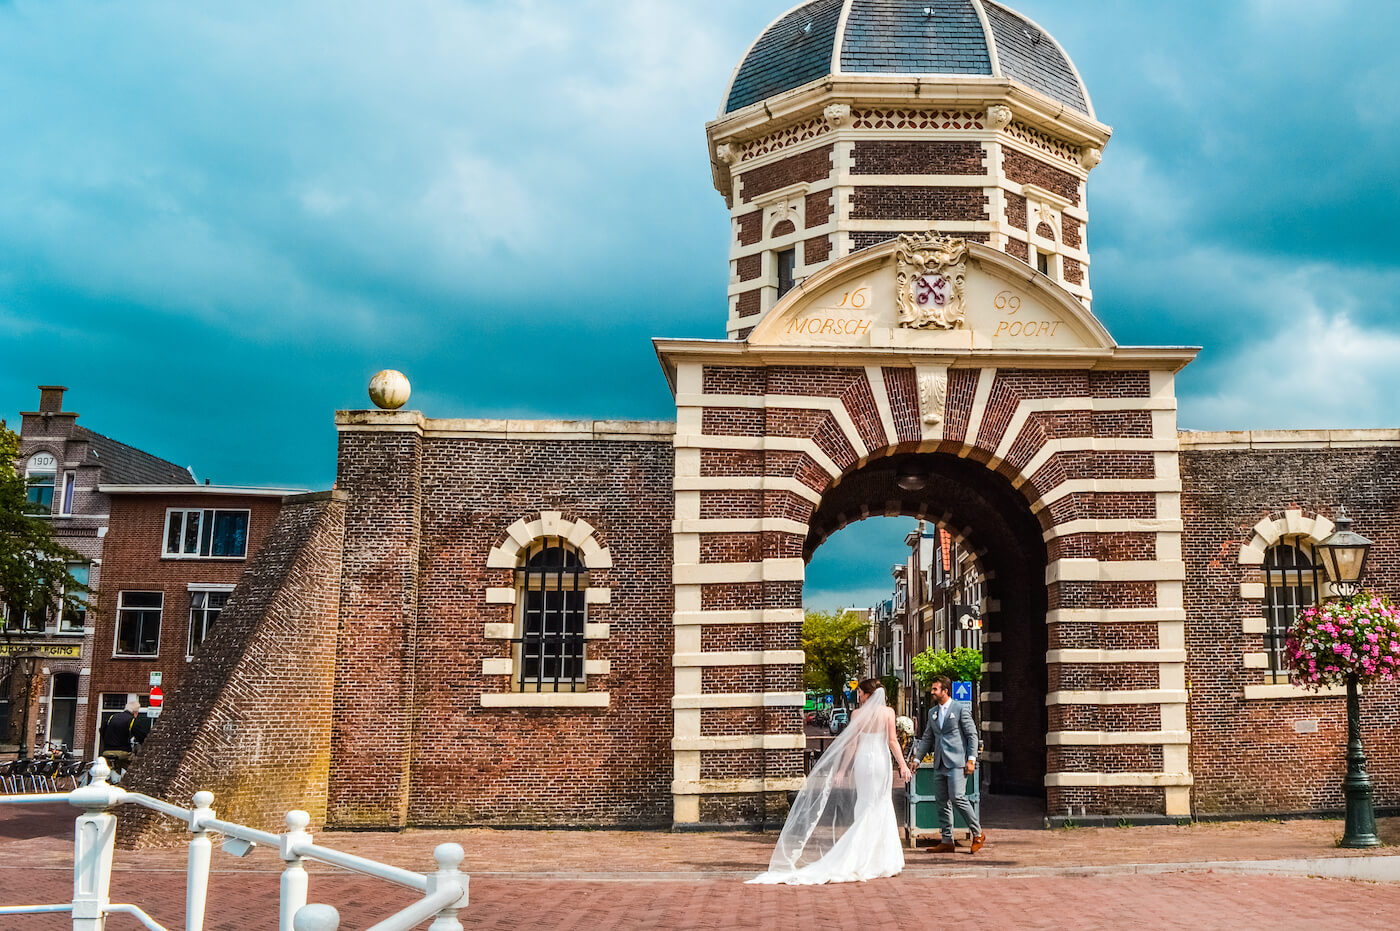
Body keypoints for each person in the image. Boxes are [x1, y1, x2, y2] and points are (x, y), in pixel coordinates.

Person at [748, 679, 911, 884]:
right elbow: (892, 741)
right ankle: (882, 859)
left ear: (868, 695)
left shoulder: (857, 715)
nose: (858, 696)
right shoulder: (888, 713)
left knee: (866, 805)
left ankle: (863, 856)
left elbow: (853, 745)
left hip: (863, 762)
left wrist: (842, 770)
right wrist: (902, 765)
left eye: (860, 693)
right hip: (880, 762)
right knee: (880, 803)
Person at [908, 675, 985, 853]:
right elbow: (928, 737)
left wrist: (971, 759)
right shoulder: (932, 712)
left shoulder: (959, 710)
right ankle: (947, 840)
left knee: (958, 797)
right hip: (940, 762)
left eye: (935, 689)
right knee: (941, 801)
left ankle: (978, 833)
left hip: (957, 762)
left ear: (945, 691)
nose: (932, 692)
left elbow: (972, 735)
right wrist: (917, 759)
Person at [99, 698, 148, 772]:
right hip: (123, 752)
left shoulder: (111, 717)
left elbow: (102, 730)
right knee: (135, 765)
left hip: (107, 751)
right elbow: (141, 736)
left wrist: (106, 742)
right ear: (135, 712)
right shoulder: (132, 720)